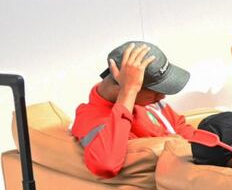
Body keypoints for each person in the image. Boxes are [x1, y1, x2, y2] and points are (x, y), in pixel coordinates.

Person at [71, 41, 217, 178]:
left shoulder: (148, 101)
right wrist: (128, 92)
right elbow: (106, 165)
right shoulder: (90, 119)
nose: (163, 96)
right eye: (156, 90)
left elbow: (180, 127)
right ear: (124, 86)